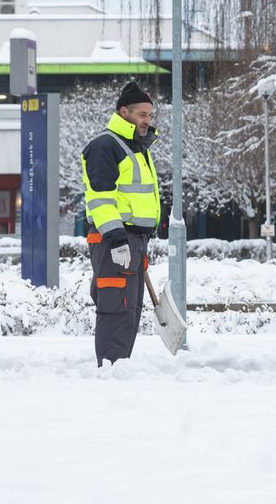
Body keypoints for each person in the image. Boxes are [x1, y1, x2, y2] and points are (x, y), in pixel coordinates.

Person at [82, 82, 161, 366]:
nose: (147, 121)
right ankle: (110, 368)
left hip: (134, 241)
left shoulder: (138, 149)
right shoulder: (106, 146)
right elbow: (100, 199)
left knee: (130, 308)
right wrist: (116, 240)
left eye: (150, 115)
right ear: (123, 111)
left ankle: (120, 365)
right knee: (116, 304)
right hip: (113, 238)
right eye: (142, 114)